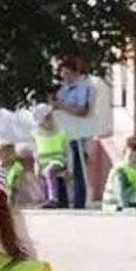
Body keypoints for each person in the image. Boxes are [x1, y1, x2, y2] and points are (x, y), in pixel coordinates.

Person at [51, 56, 99, 209]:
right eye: (63, 74)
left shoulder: (84, 87)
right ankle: (62, 202)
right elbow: (56, 105)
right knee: (60, 167)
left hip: (79, 133)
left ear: (76, 73)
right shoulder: (64, 88)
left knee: (79, 169)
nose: (65, 78)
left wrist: (62, 106)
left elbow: (82, 110)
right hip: (64, 133)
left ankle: (79, 204)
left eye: (67, 74)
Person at [30, 105, 68, 208]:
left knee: (49, 170)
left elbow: (67, 152)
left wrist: (70, 168)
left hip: (58, 162)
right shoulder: (36, 135)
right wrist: (36, 167)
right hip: (43, 164)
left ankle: (53, 199)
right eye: (46, 119)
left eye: (50, 118)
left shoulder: (60, 133)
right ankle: (48, 200)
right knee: (44, 176)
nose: (50, 121)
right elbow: (36, 153)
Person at [101, 138, 136, 212]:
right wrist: (127, 208)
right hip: (113, 206)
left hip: (128, 203)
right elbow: (119, 194)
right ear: (124, 156)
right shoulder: (120, 171)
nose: (133, 159)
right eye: (130, 156)